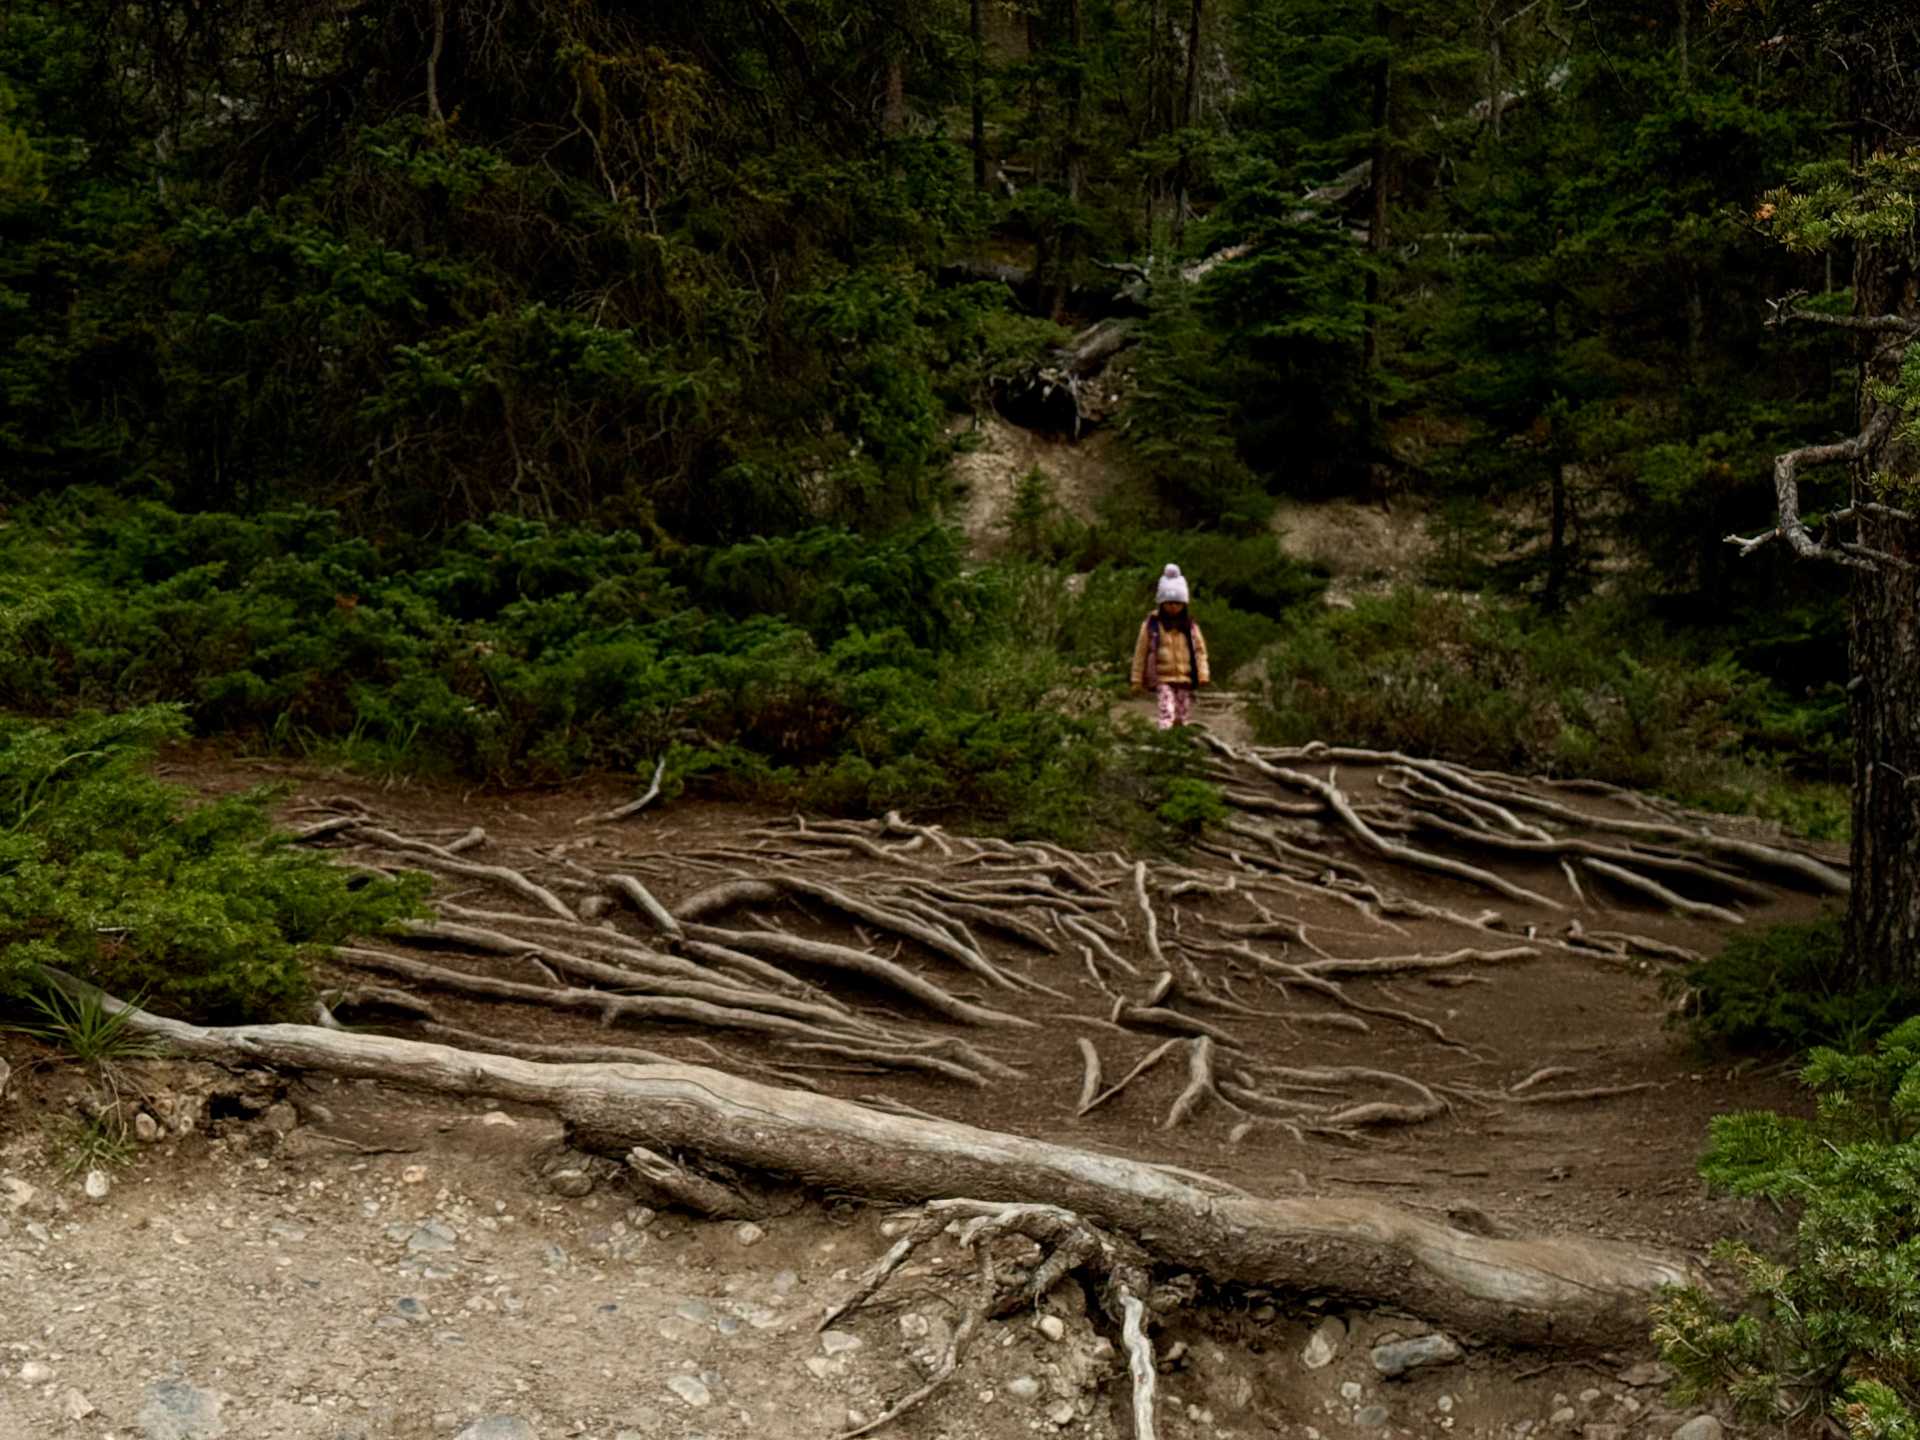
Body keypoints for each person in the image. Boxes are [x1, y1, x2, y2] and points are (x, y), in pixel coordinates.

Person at [1130, 564, 1210, 729]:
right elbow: (1140, 652)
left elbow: (1200, 652)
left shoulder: (1190, 626)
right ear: (1161, 603)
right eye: (1169, 602)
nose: (1173, 606)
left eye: (1177, 603)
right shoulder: (1151, 625)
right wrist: (1136, 679)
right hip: (1162, 677)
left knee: (1182, 713)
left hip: (1184, 677)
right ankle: (1164, 736)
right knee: (1167, 710)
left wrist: (1203, 673)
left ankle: (1180, 738)